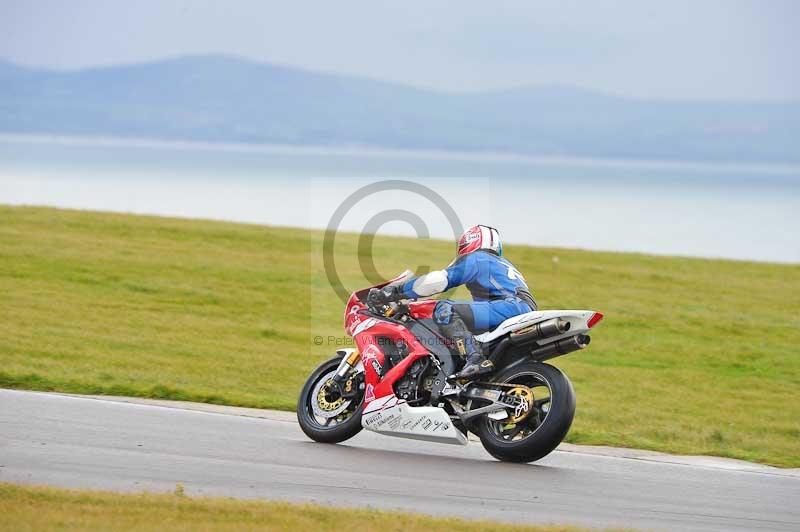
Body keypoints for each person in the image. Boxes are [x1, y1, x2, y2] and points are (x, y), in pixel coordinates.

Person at [369, 225, 537, 380]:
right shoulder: (501, 263)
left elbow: (438, 281)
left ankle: (474, 359)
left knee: (445, 309)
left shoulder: (477, 258)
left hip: (510, 307)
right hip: (519, 309)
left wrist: (395, 292)